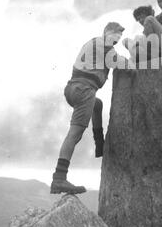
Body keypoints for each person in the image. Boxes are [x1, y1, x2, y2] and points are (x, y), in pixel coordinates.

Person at [51, 22, 134, 195]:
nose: (116, 40)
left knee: (98, 105)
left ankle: (99, 145)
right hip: (85, 90)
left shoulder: (92, 42)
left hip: (72, 89)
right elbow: (122, 64)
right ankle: (59, 178)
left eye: (118, 38)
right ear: (106, 33)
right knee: (75, 134)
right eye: (114, 35)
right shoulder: (105, 46)